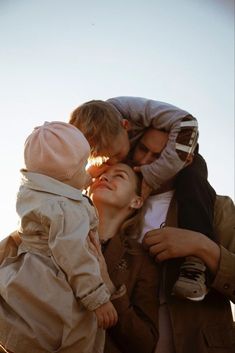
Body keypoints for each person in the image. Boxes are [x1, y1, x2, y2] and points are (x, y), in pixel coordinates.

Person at [0, 163, 160, 353]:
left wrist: (109, 287)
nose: (105, 178)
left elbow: (144, 344)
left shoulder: (140, 259)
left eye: (119, 176)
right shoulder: (45, 227)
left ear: (136, 201)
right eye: (101, 174)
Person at [69, 96, 216, 301]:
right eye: (142, 149)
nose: (115, 161)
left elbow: (187, 123)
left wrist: (151, 174)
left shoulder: (134, 110)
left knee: (194, 181)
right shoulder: (103, 134)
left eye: (156, 157)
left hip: (184, 144)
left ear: (126, 126)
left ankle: (194, 266)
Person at [0, 121, 117, 353]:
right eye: (83, 165)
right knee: (69, 335)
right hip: (54, 286)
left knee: (24, 329)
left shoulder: (34, 193)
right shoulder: (68, 211)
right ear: (67, 174)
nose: (87, 172)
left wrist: (79, 179)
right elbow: (74, 254)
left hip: (25, 279)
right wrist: (98, 298)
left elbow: (61, 185)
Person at [132, 127, 235, 353]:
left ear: (185, 160)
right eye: (142, 149)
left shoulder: (218, 208)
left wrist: (203, 247)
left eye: (159, 156)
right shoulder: (119, 202)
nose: (146, 162)